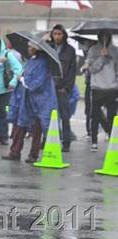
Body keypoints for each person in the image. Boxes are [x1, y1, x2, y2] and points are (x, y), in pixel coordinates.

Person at [2, 41, 58, 163]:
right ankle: (15, 151)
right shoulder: (32, 61)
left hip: (39, 101)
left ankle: (33, 154)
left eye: (30, 46)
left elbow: (36, 83)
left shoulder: (42, 63)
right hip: (27, 99)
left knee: (36, 128)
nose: (28, 48)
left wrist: (22, 79)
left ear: (35, 49)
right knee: (20, 125)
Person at [86, 30, 118, 152]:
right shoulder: (93, 50)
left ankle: (112, 137)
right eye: (102, 36)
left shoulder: (115, 50)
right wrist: (102, 57)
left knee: (112, 115)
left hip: (112, 88)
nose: (105, 38)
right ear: (99, 37)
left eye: (107, 36)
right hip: (97, 87)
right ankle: (94, 141)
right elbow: (93, 69)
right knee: (94, 115)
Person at [49, 24, 76, 152]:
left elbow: (72, 71)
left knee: (65, 116)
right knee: (48, 116)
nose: (57, 36)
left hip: (62, 88)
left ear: (64, 35)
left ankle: (66, 142)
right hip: (49, 87)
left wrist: (67, 88)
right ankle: (48, 140)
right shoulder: (48, 48)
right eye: (55, 34)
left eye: (59, 34)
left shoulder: (70, 50)